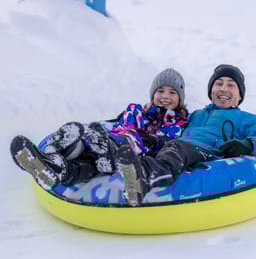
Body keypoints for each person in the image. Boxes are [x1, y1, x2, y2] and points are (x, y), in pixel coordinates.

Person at [115, 64, 256, 206]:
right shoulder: (196, 115)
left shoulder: (245, 119)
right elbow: (170, 122)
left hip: (206, 152)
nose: (223, 89)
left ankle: (145, 178)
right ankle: (105, 161)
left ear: (239, 96)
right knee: (151, 141)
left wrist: (249, 144)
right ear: (211, 91)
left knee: (178, 147)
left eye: (231, 85)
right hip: (176, 146)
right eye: (219, 84)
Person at [10, 68, 188, 190]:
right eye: (161, 91)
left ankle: (94, 151)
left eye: (172, 92)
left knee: (116, 146)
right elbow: (115, 124)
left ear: (180, 99)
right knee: (91, 156)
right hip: (114, 139)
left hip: (133, 151)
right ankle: (53, 166)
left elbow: (168, 144)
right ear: (152, 94)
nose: (165, 96)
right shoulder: (136, 111)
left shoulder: (178, 123)